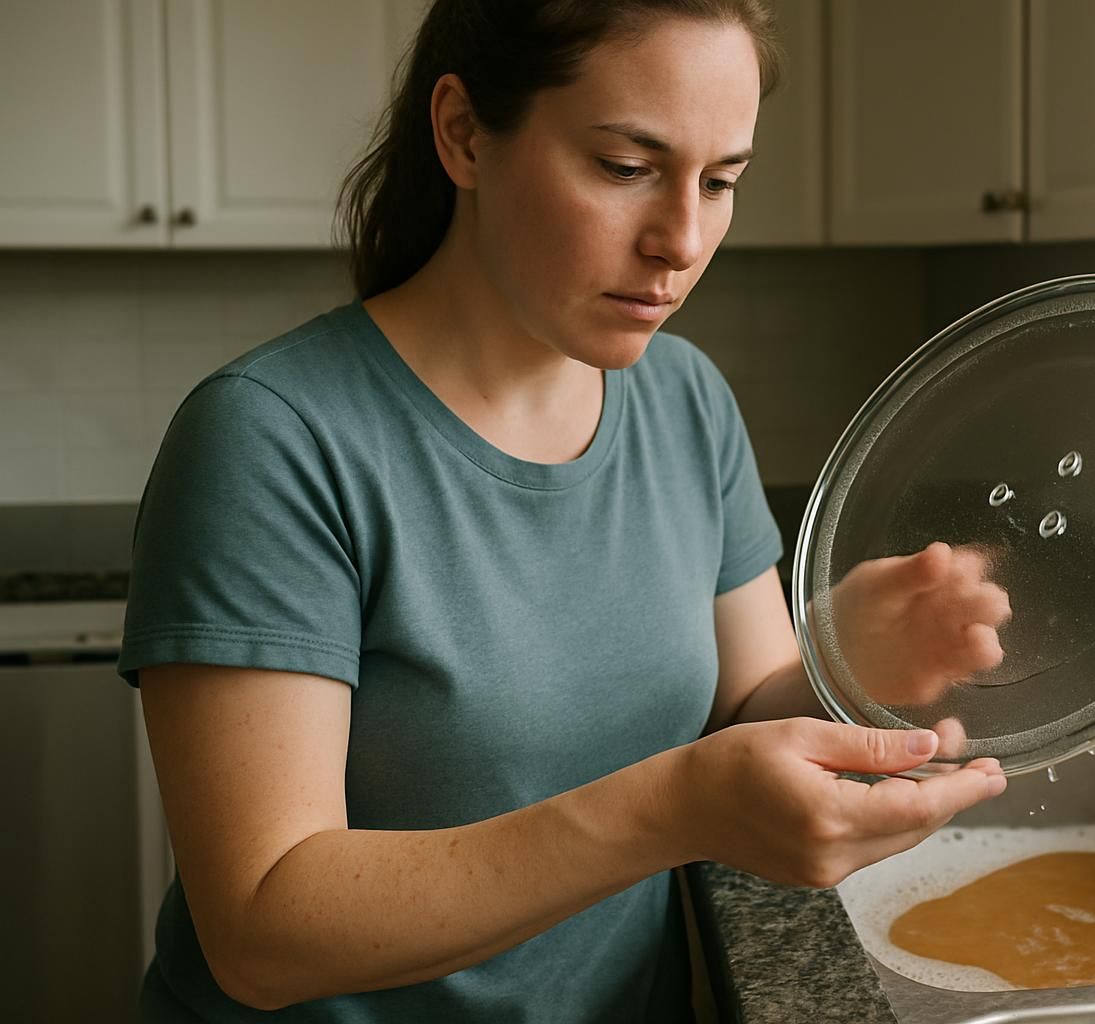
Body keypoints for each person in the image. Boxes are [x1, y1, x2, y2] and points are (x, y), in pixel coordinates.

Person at [120, 1, 1013, 1020]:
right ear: (461, 133)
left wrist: (840, 665)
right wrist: (675, 808)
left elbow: (732, 719)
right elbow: (261, 931)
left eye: (720, 182)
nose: (681, 239)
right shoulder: (270, 440)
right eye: (626, 167)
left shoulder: (687, 401)